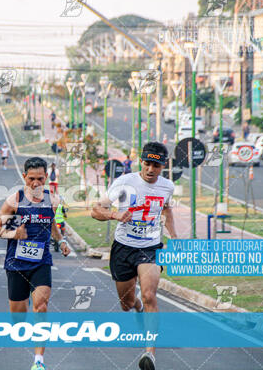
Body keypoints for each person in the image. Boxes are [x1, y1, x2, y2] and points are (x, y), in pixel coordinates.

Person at [91, 142, 178, 370]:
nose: (151, 169)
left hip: (150, 247)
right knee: (126, 304)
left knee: (149, 294)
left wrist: (175, 237)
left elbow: (166, 209)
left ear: (163, 166)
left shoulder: (167, 186)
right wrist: (115, 215)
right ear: (141, 161)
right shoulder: (124, 182)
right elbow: (95, 210)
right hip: (123, 248)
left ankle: (149, 353)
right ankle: (138, 308)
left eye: (156, 165)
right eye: (147, 164)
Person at [0, 157, 71, 370]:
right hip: (16, 264)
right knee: (18, 319)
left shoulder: (52, 200)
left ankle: (38, 362)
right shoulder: (14, 200)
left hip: (41, 262)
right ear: (24, 177)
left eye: (40, 179)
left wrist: (61, 240)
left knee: (41, 306)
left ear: (47, 178)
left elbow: (51, 223)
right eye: (32, 179)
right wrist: (14, 233)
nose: (36, 184)